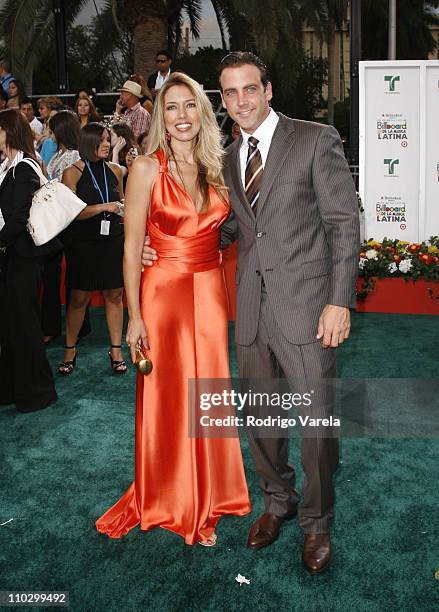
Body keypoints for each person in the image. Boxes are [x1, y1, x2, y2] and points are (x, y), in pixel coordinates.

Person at [142, 52, 360, 572]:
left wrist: (339, 301)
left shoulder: (313, 138)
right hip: (251, 310)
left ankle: (316, 521)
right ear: (222, 99)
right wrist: (163, 245)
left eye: (249, 89)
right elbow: (234, 228)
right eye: (230, 93)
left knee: (315, 425)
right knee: (262, 419)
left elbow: (344, 222)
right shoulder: (228, 157)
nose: (240, 101)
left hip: (310, 311)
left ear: (267, 89)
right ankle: (277, 503)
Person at [96, 72, 251, 546]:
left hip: (209, 290)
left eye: (189, 106)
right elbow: (130, 247)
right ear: (160, 116)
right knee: (169, 396)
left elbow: (229, 228)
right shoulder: (146, 167)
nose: (181, 116)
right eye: (171, 107)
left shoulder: (219, 165)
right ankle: (175, 498)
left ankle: (213, 491)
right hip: (163, 293)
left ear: (202, 113)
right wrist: (136, 316)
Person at [0, 108, 60, 412]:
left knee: (23, 326)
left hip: (24, 258)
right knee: (12, 326)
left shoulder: (23, 168)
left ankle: (37, 392)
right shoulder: (9, 166)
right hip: (14, 257)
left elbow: (18, 217)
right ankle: (11, 389)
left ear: (8, 131)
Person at [59, 123, 126, 376]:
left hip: (112, 240)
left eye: (108, 140)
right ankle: (69, 349)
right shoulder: (72, 173)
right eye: (103, 140)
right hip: (82, 243)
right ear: (88, 142)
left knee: (115, 295)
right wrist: (103, 207)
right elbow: (71, 213)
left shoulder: (115, 171)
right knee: (78, 298)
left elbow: (121, 202)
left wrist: (121, 206)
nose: (108, 144)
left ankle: (116, 350)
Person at [40, 111, 82, 344]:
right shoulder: (59, 154)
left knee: (69, 275)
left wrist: (46, 180)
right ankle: (53, 325)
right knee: (54, 275)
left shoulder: (73, 156)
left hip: (66, 222)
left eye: (52, 127)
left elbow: (64, 190)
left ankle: (64, 326)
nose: (49, 132)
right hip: (55, 221)